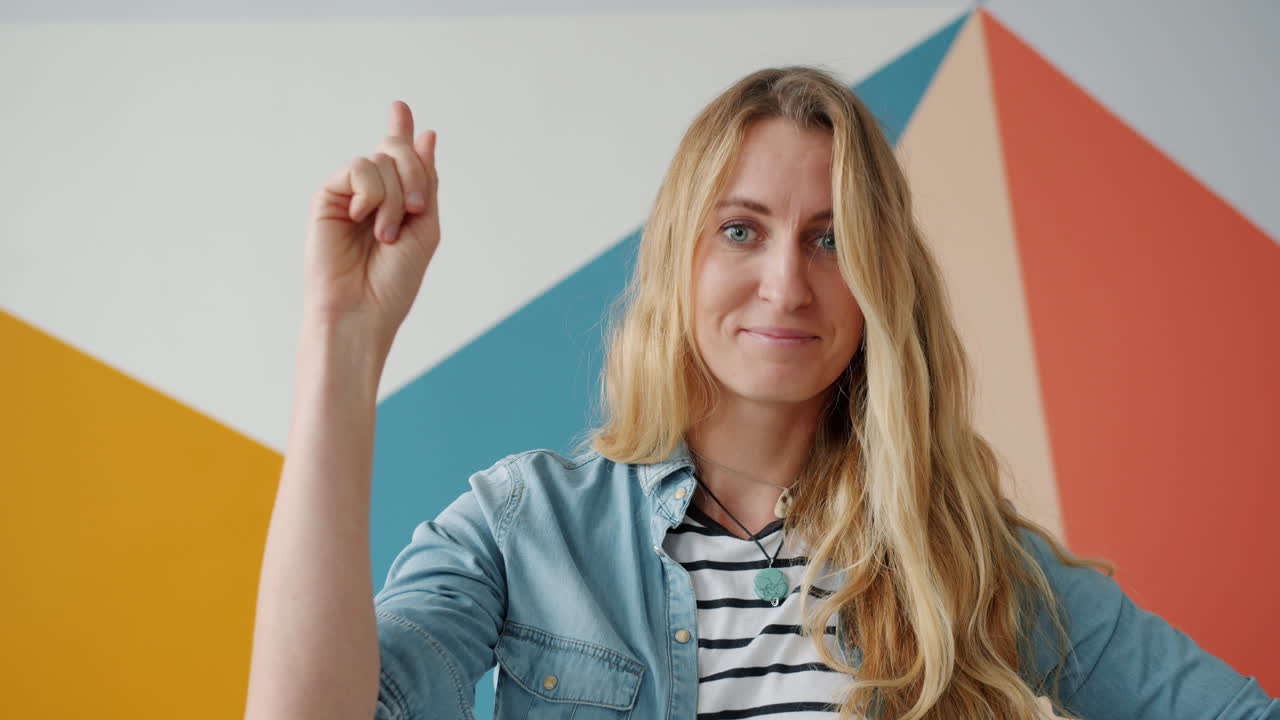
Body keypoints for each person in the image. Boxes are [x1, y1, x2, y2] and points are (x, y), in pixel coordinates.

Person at [244, 66, 1278, 720]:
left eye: (830, 240)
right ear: (679, 258)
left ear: (879, 279)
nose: (786, 282)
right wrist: (342, 340)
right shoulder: (527, 530)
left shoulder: (960, 554)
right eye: (741, 229)